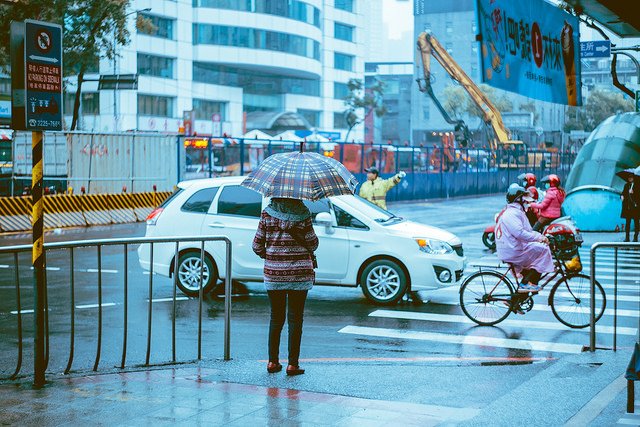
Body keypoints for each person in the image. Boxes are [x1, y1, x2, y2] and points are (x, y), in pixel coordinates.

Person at [252, 197, 319, 376]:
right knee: (295, 319)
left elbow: (257, 245)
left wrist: (272, 256)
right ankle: (292, 365)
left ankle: (273, 362)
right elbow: (313, 243)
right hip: (299, 274)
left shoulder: (267, 214)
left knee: (276, 318)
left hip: (274, 274)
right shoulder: (304, 214)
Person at [495, 184, 555, 294]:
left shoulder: (517, 212)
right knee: (543, 251)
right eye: (524, 200)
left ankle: (516, 298)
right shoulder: (512, 213)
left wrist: (541, 237)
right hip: (512, 250)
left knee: (538, 254)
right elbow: (520, 233)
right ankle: (526, 284)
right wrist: (539, 237)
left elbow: (529, 231)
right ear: (518, 200)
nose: (527, 203)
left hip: (514, 247)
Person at [621, 175, 640, 242]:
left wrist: (633, 193)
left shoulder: (638, 185)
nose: (629, 178)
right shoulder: (626, 185)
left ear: (633, 178)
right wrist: (622, 196)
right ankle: (627, 237)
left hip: (635, 207)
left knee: (636, 223)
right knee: (627, 223)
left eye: (631, 177)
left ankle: (635, 237)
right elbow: (623, 193)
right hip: (628, 207)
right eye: (628, 177)